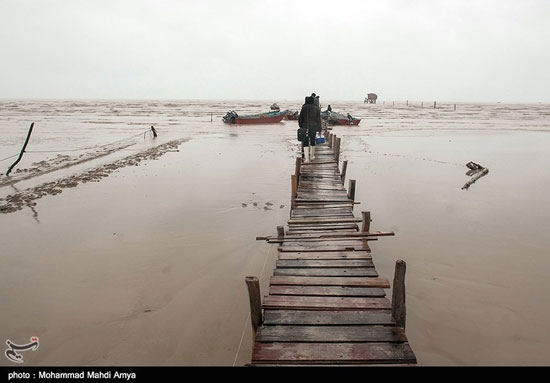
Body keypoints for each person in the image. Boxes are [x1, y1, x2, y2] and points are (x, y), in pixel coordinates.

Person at [298, 96, 322, 162]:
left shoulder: (304, 107)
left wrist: (301, 126)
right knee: (312, 140)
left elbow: (300, 118)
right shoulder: (316, 108)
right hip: (313, 127)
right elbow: (318, 119)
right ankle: (311, 156)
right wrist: (319, 128)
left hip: (305, 126)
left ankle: (307, 158)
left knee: (305, 142)